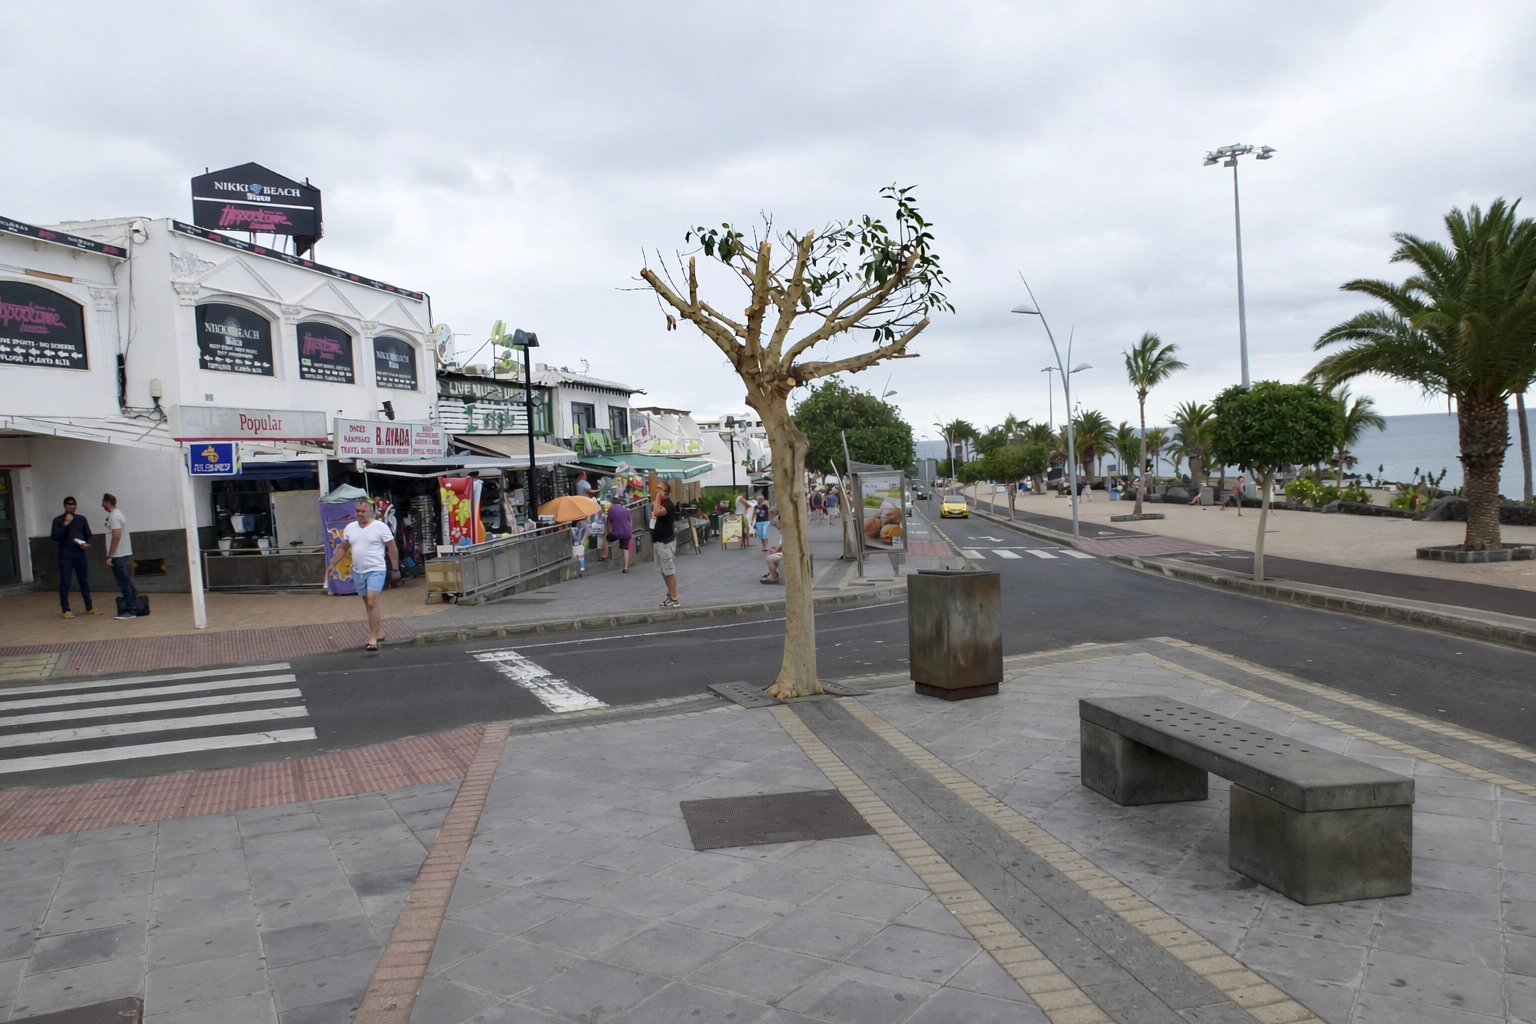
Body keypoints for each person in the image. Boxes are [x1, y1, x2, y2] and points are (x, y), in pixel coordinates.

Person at [327, 499, 400, 651]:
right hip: (358, 571)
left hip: (376, 569)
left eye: (363, 511)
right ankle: (378, 631)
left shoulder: (380, 527)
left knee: (372, 601)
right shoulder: (350, 528)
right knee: (368, 603)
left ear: (370, 511)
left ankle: (372, 638)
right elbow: (343, 547)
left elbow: (392, 549)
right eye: (358, 511)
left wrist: (395, 569)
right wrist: (333, 564)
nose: (360, 514)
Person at [51, 496, 96, 619]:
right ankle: (65, 609)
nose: (72, 506)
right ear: (65, 506)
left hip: (80, 555)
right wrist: (65, 524)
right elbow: (55, 536)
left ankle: (89, 606)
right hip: (65, 556)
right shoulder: (58, 520)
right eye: (69, 504)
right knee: (65, 582)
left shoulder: (81, 519)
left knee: (84, 582)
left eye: (74, 504)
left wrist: (86, 544)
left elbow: (88, 535)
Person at [101, 493, 137, 618]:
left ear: (106, 502)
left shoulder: (114, 516)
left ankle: (130, 609)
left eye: (103, 502)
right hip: (122, 553)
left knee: (123, 582)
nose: (102, 504)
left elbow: (116, 536)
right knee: (125, 581)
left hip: (118, 554)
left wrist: (110, 555)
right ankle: (133, 605)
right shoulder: (118, 513)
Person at [651, 482, 680, 607]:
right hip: (658, 540)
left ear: (666, 493)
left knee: (669, 570)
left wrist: (657, 498)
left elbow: (657, 512)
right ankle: (670, 594)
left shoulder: (669, 505)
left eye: (659, 490)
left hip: (665, 542)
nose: (657, 492)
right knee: (663, 570)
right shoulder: (661, 503)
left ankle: (674, 597)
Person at [606, 498, 634, 572]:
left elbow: (608, 523)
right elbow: (630, 520)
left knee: (606, 537)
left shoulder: (611, 510)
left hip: (616, 534)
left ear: (612, 503)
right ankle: (625, 568)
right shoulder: (625, 510)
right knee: (626, 549)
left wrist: (609, 532)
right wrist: (630, 531)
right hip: (626, 532)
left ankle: (604, 555)